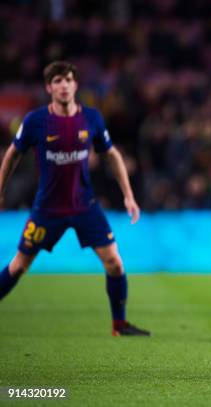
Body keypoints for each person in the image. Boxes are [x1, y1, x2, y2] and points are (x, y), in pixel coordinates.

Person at [0, 61, 150, 337]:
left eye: (68, 80)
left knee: (114, 262)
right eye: (57, 81)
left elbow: (112, 155)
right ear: (49, 87)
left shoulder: (91, 118)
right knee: (19, 266)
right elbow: (12, 154)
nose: (64, 85)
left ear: (75, 85)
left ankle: (120, 325)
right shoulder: (35, 121)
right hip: (47, 209)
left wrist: (128, 195)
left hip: (85, 206)